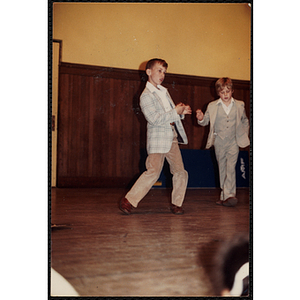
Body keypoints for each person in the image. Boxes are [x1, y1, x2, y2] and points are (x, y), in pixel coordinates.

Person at [119, 58, 192, 215]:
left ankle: (176, 203)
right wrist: (175, 112)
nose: (162, 74)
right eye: (159, 70)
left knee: (180, 171)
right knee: (153, 171)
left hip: (171, 137)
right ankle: (129, 200)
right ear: (148, 72)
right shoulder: (145, 96)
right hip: (158, 139)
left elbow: (171, 115)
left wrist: (181, 113)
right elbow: (155, 119)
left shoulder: (164, 91)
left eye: (164, 72)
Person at [196, 77, 249, 207]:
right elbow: (205, 121)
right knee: (222, 168)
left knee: (231, 168)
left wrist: (243, 135)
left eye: (227, 91)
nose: (225, 94)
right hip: (219, 141)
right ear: (218, 93)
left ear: (232, 91)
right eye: (222, 92)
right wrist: (201, 118)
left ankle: (230, 195)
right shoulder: (213, 106)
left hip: (233, 141)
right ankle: (224, 195)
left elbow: (245, 121)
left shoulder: (240, 104)